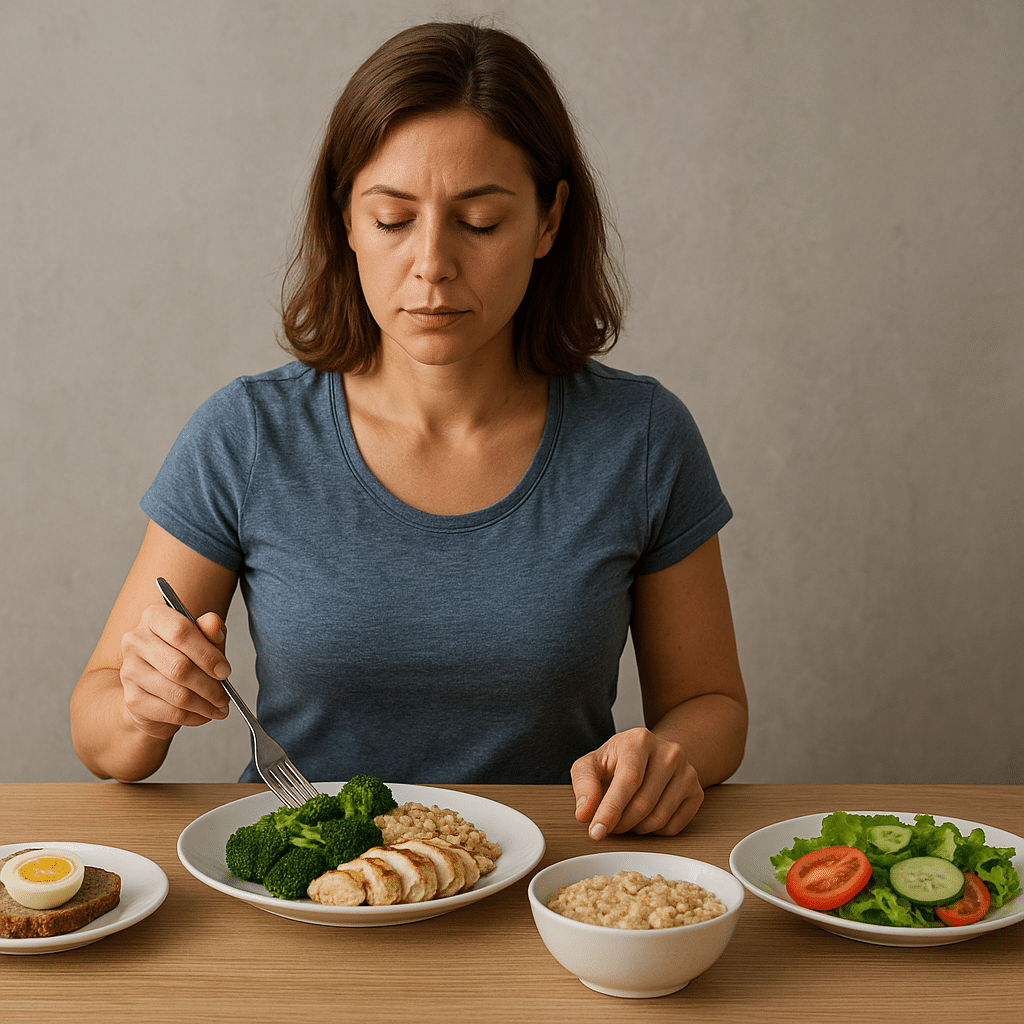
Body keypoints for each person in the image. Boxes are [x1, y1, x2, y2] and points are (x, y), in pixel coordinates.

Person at [70, 21, 747, 839]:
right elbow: (99, 729)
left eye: (481, 222)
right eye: (393, 219)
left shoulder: (641, 438)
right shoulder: (246, 435)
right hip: (311, 879)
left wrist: (669, 753)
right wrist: (142, 705)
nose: (432, 264)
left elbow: (712, 704)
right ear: (346, 221)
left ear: (549, 221)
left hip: (548, 878)